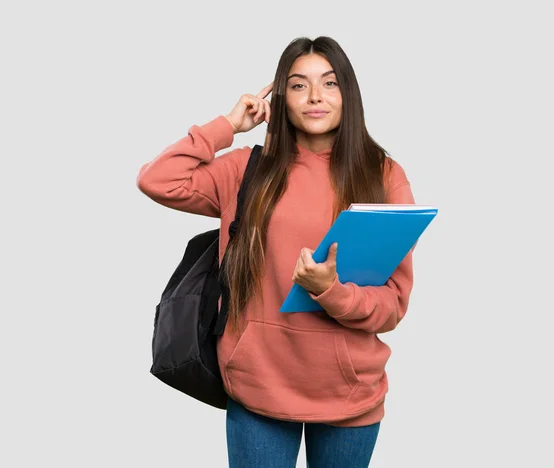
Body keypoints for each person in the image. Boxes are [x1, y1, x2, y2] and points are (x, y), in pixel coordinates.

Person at [136, 36, 416, 468]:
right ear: (282, 99)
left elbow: (393, 306)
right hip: (258, 386)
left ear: (348, 93)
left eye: (329, 83)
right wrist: (227, 125)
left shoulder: (383, 177)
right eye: (300, 85)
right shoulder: (248, 169)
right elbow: (158, 179)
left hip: (349, 393)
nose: (316, 97)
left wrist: (332, 292)